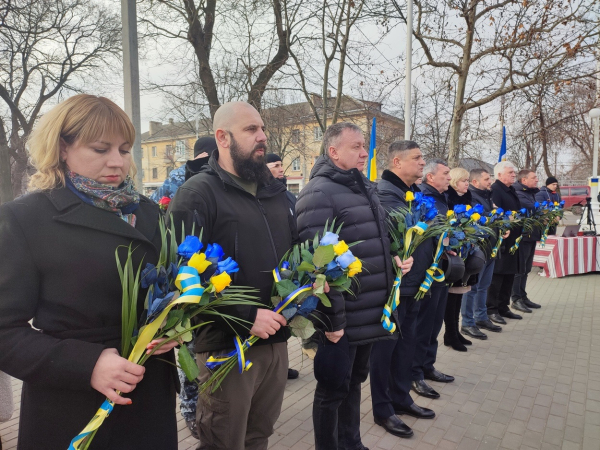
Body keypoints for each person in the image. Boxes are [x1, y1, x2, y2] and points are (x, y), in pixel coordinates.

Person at [0, 94, 178, 450]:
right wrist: (87, 364)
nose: (117, 162)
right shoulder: (25, 218)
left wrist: (176, 328)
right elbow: (5, 331)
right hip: (70, 406)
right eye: (100, 149)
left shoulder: (149, 213)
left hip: (148, 399)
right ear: (63, 147)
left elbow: (167, 290)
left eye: (125, 150)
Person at [167, 101, 296, 450]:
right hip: (227, 347)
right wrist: (246, 316)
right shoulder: (197, 194)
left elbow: (295, 252)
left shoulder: (276, 193)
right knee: (223, 441)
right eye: (251, 130)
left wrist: (311, 283)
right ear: (222, 137)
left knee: (258, 436)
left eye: (262, 129)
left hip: (276, 340)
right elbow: (182, 274)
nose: (263, 137)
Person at [296, 122, 412, 450]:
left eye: (364, 146)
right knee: (332, 389)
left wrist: (396, 259)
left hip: (368, 311)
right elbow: (317, 265)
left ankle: (352, 443)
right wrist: (332, 323)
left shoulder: (362, 186)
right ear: (333, 152)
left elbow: (370, 242)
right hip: (341, 319)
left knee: (354, 382)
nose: (365, 153)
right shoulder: (318, 193)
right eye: (356, 147)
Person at [369, 140, 435, 439]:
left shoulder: (412, 193)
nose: (423, 163)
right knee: (385, 350)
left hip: (414, 285)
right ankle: (383, 409)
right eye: (417, 158)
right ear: (397, 162)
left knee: (406, 345)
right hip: (396, 286)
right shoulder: (386, 194)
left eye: (423, 158)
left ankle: (401, 397)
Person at [411, 159, 455, 401]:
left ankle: (428, 365)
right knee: (423, 324)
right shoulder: (423, 199)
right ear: (430, 177)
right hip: (426, 272)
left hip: (440, 270)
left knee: (435, 322)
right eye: (445, 173)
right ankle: (414, 373)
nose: (449, 177)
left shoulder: (440, 198)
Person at [461, 169, 503, 336]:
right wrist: (493, 213)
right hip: (479, 249)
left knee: (484, 286)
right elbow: (477, 217)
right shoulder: (471, 196)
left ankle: (481, 317)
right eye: (486, 179)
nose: (489, 181)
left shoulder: (487, 195)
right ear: (475, 182)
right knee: (472, 287)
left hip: (491, 247)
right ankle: (467, 322)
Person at [443, 168, 476, 352]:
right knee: (451, 295)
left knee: (459, 293)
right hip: (452, 253)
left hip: (464, 250)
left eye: (468, 180)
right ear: (455, 181)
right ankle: (450, 334)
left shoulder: (468, 199)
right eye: (464, 180)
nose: (467, 184)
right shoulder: (449, 199)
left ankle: (455, 331)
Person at [487, 161, 523, 324]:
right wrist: (506, 221)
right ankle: (492, 309)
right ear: (499, 175)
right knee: (498, 276)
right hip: (502, 240)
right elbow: (495, 214)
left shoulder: (511, 189)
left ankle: (503, 306)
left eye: (514, 172)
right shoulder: (496, 190)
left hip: (513, 239)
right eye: (510, 172)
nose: (514, 175)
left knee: (509, 274)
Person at [512, 169, 541, 311]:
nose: (537, 180)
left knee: (526, 269)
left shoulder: (530, 192)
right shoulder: (519, 193)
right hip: (523, 236)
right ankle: (516, 298)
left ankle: (523, 296)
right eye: (534, 178)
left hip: (531, 235)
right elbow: (534, 209)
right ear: (524, 180)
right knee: (520, 268)